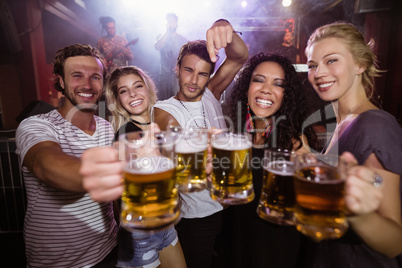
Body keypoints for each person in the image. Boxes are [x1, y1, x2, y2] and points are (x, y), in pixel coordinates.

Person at [299, 21, 402, 267]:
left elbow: (395, 240)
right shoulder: (342, 122)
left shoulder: (375, 125)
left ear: (360, 64)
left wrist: (359, 216)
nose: (319, 73)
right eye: (313, 65)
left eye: (331, 60)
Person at [152, 19, 249, 268]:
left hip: (230, 205)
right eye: (188, 70)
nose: (194, 80)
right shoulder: (163, 109)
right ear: (177, 68)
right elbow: (172, 136)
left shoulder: (211, 91)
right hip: (198, 216)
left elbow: (239, 57)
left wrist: (223, 26)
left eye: (203, 73)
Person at [15, 44, 118, 267]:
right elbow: (46, 165)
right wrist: (127, 169)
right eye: (77, 76)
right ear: (61, 81)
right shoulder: (36, 125)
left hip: (109, 249)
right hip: (57, 262)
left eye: (95, 77)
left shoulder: (108, 128)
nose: (87, 85)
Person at [221, 52, 317, 267]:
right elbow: (228, 203)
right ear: (247, 88)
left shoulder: (294, 140)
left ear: (286, 95)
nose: (266, 89)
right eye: (259, 80)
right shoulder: (237, 136)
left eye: (278, 84)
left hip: (275, 247)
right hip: (238, 242)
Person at [105, 66, 186, 268]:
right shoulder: (126, 134)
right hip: (140, 234)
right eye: (123, 91)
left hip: (166, 228)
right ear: (118, 100)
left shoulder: (158, 126)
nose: (132, 93)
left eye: (137, 86)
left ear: (147, 88)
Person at [154, 13, 188, 100]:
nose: (170, 24)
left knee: (177, 98)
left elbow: (188, 57)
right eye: (169, 21)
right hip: (164, 74)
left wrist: (180, 64)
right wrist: (166, 32)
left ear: (176, 24)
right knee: (164, 99)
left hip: (177, 75)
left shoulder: (182, 39)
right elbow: (157, 47)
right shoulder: (161, 37)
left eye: (172, 21)